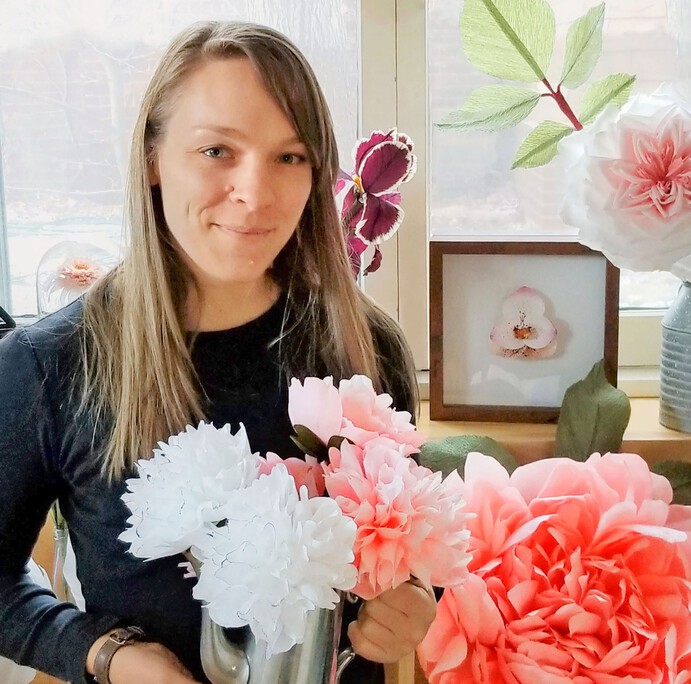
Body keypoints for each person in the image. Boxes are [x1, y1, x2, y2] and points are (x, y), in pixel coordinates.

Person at [0, 20, 436, 684]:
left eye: (290, 157)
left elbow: (411, 547)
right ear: (153, 159)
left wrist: (419, 597)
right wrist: (106, 653)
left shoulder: (364, 346)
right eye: (216, 151)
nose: (256, 194)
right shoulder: (48, 365)